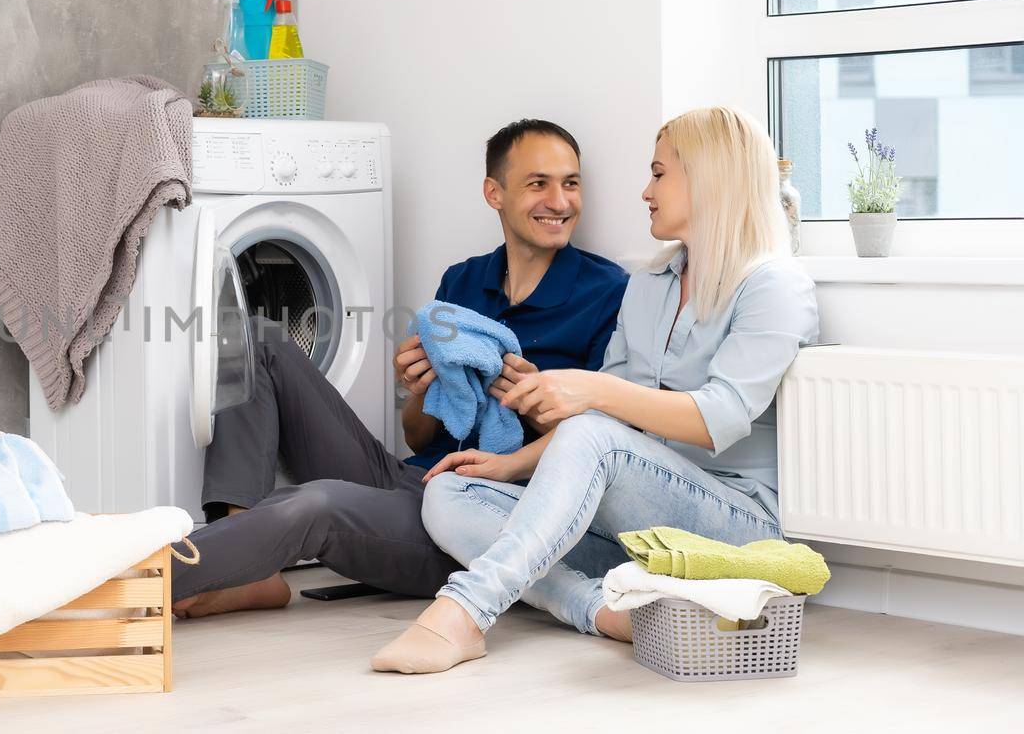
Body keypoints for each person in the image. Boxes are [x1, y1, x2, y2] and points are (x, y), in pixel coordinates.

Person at [370, 106, 819, 674]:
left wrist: (593, 391)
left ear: (707, 178)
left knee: (594, 428)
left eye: (659, 174)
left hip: (738, 524)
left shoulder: (774, 285)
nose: (645, 191)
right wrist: (510, 466)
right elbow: (613, 424)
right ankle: (598, 609)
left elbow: (718, 418)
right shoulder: (652, 285)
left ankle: (464, 613)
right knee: (450, 495)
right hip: (642, 519)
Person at [172, 120, 628, 618]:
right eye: (538, 183)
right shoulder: (465, 280)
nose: (560, 202)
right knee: (259, 336)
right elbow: (418, 437)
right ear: (494, 193)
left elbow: (602, 445)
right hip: (413, 481)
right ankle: (250, 572)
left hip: (481, 521)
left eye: (571, 183)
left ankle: (127, 579)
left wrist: (530, 398)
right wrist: (418, 387)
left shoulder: (606, 293)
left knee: (317, 503)